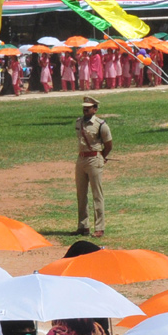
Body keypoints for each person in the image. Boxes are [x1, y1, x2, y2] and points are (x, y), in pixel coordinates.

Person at [75, 96, 112, 238]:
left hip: (94, 159)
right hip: (81, 159)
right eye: (84, 107)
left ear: (95, 109)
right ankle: (83, 226)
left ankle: (99, 227)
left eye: (88, 107)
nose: (85, 109)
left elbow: (109, 144)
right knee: (81, 194)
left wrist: (101, 156)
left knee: (97, 194)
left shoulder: (101, 125)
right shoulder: (78, 122)